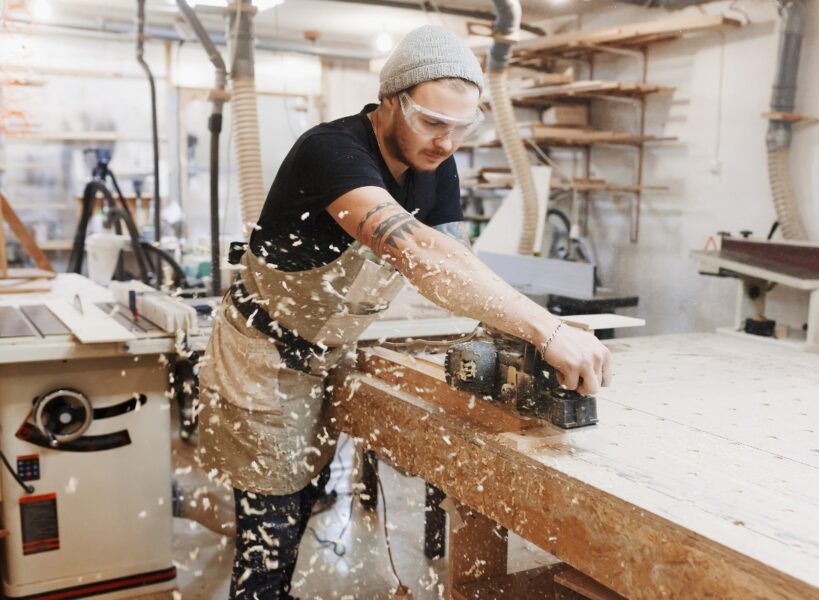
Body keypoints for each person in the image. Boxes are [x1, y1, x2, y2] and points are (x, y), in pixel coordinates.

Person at [198, 24, 611, 599]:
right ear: (390, 101)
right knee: (270, 534)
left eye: (460, 129)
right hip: (264, 355)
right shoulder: (332, 151)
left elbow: (455, 264)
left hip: (330, 351)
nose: (445, 143)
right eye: (432, 122)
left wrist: (513, 336)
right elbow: (417, 251)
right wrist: (548, 328)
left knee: (309, 497)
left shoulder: (436, 165)